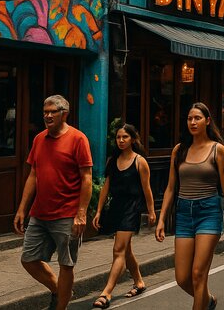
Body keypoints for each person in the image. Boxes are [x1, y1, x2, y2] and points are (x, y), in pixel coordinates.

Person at [155, 102, 224, 310]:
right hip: (184, 213)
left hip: (209, 212)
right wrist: (161, 218)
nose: (193, 122)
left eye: (197, 118)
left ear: (207, 121)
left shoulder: (217, 149)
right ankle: (208, 300)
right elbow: (170, 188)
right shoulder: (179, 150)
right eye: (189, 118)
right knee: (182, 277)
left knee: (198, 274)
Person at [13, 95, 93, 310]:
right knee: (28, 259)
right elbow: (33, 174)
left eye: (52, 112)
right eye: (45, 112)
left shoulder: (78, 139)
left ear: (64, 114)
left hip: (67, 213)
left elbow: (87, 178)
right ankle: (60, 291)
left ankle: (61, 306)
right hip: (40, 212)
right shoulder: (39, 139)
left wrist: (81, 214)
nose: (47, 115)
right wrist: (22, 209)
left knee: (66, 264)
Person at [91, 124, 156, 308]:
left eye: (125, 137)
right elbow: (106, 187)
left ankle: (107, 292)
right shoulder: (112, 160)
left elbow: (147, 189)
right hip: (117, 207)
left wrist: (151, 211)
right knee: (126, 250)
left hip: (132, 208)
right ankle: (139, 282)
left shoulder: (139, 162)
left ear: (133, 139)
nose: (120, 140)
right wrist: (98, 211)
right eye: (118, 137)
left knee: (118, 249)